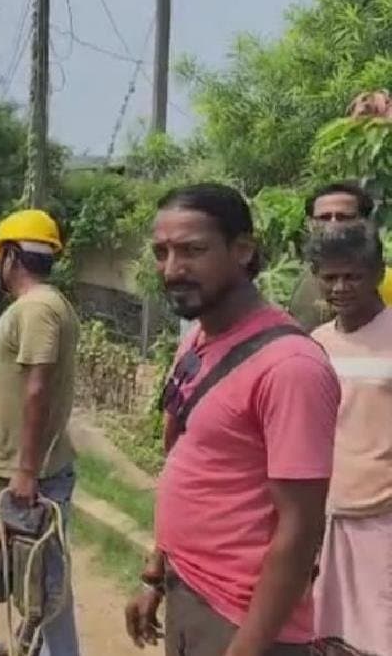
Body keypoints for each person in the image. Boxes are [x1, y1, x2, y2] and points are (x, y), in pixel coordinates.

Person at [125, 183, 340, 656]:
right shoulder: (195, 344)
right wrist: (156, 574)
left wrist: (247, 647)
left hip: (243, 622)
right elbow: (186, 462)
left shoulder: (290, 368)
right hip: (188, 591)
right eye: (162, 252)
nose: (172, 269)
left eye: (193, 250)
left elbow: (301, 529)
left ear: (242, 251)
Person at [0, 209, 81, 656]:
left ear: (12, 256)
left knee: (46, 583)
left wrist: (26, 470)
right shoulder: (35, 308)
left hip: (34, 472)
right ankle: (28, 648)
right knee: (29, 574)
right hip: (28, 468)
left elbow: (37, 390)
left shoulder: (37, 309)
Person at [304, 222, 392, 656]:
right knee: (324, 635)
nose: (340, 287)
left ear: (377, 272)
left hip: (383, 521)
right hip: (325, 517)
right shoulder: (315, 345)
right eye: (329, 276)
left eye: (353, 275)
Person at [287, 181, 392, 328]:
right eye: (324, 218)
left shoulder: (387, 282)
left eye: (343, 217)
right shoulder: (305, 285)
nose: (333, 225)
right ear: (310, 224)